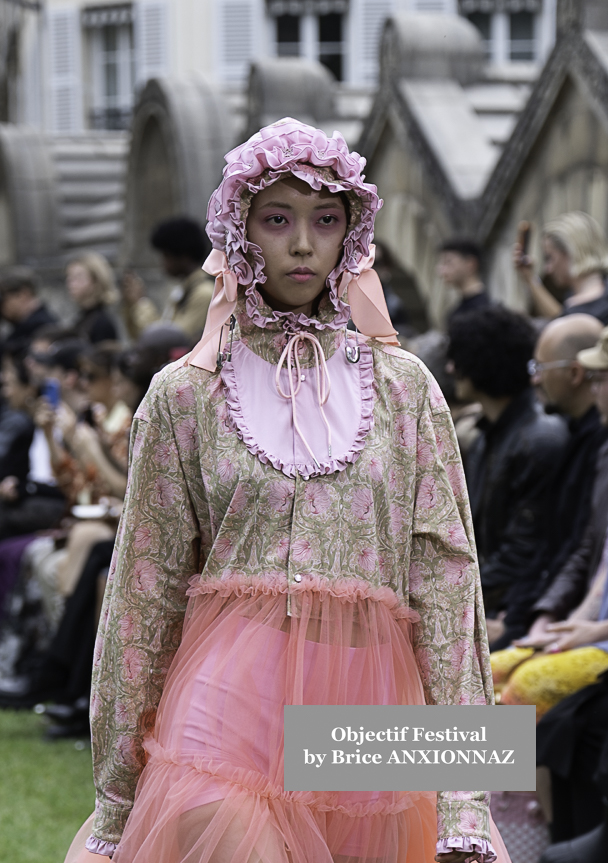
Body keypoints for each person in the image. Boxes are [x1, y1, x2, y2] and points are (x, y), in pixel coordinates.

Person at [71, 120, 510, 863]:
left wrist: (464, 792)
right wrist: (114, 801)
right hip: (225, 705)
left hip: (369, 701)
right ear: (239, 230)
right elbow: (142, 594)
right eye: (277, 219)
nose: (303, 243)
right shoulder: (186, 394)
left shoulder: (405, 388)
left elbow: (446, 585)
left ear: (352, 233)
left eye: (326, 220)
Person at [447, 307, 568, 646]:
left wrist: (454, 597)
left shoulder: (540, 441)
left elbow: (526, 551)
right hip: (496, 603)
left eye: (458, 358)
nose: (451, 368)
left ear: (481, 362)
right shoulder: (487, 435)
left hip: (518, 613)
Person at [514, 211, 608, 323]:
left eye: (549, 258)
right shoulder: (576, 301)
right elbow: (561, 317)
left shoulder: (585, 309)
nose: (548, 269)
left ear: (569, 252)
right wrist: (529, 278)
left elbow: (563, 321)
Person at [151, 216, 214, 342]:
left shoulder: (204, 292)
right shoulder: (184, 289)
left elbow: (173, 341)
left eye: (166, 256)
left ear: (183, 256)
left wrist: (140, 304)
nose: (162, 263)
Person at [0, 267, 57, 357]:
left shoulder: (42, 327)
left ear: (23, 294)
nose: (3, 306)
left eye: (5, 299)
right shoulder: (21, 326)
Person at [66, 252, 119, 344]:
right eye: (70, 278)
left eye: (78, 277)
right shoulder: (82, 318)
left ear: (96, 281)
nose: (71, 284)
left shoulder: (102, 323)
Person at [437, 238, 490, 323]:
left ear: (470, 264)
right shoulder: (456, 312)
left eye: (448, 262)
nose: (441, 271)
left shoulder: (485, 311)